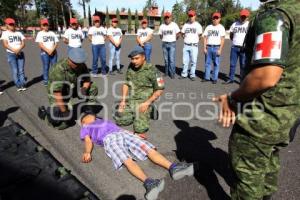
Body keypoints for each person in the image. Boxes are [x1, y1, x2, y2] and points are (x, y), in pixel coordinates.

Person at [213, 0, 299, 199]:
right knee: (269, 165)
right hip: (289, 112)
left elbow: (266, 77)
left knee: (247, 179)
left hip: (263, 115)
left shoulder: (275, 16)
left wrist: (232, 98)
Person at [80, 113, 194, 200]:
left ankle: (173, 167)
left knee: (148, 148)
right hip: (109, 139)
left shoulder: (103, 121)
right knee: (126, 160)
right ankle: (150, 183)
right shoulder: (86, 127)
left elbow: (119, 129)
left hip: (122, 134)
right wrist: (87, 152)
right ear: (84, 121)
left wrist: (134, 134)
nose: (91, 116)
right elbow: (88, 141)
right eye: (87, 117)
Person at [38, 48, 98, 130]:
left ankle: (89, 111)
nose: (78, 66)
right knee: (63, 123)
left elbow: (87, 79)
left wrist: (84, 88)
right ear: (69, 59)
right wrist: (64, 112)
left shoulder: (81, 65)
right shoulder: (58, 69)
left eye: (79, 63)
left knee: (93, 88)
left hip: (72, 87)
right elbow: (57, 94)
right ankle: (44, 114)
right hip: (59, 93)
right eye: (75, 63)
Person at [114, 46, 164, 140]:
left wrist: (147, 103)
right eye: (132, 59)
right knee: (119, 120)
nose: (134, 61)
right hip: (131, 99)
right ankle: (138, 113)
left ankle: (150, 109)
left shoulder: (152, 70)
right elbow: (126, 83)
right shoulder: (131, 67)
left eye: (136, 58)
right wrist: (123, 100)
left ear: (143, 57)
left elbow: (160, 89)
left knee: (139, 129)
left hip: (144, 101)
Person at [224, 9, 250, 84]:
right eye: (242, 16)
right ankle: (231, 79)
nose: (243, 18)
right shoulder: (234, 24)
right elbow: (231, 34)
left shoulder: (249, 24)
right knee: (232, 64)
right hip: (234, 47)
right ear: (240, 16)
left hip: (244, 48)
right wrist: (234, 41)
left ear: (247, 17)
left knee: (243, 65)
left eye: (245, 17)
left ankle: (242, 80)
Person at [1, 18, 26, 91]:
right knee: (15, 70)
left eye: (13, 24)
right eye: (10, 24)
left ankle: (23, 84)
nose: (12, 26)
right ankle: (18, 85)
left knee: (21, 70)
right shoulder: (5, 33)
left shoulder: (19, 33)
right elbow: (5, 44)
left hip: (20, 53)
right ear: (7, 25)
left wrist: (19, 49)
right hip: (11, 54)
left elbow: (23, 43)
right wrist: (14, 50)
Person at [179, 10, 203, 81]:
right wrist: (186, 39)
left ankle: (192, 75)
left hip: (194, 46)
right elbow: (182, 33)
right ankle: (184, 74)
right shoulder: (186, 25)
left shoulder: (198, 25)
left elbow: (200, 35)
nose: (191, 17)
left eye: (192, 16)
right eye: (189, 16)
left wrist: (195, 41)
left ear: (195, 16)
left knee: (193, 61)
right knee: (185, 61)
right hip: (186, 45)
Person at [202, 12, 225, 84]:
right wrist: (204, 48)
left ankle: (214, 78)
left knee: (216, 64)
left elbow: (222, 39)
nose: (215, 19)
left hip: (216, 47)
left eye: (217, 18)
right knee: (207, 63)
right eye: (214, 18)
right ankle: (207, 77)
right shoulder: (208, 27)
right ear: (212, 19)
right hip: (208, 47)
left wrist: (220, 49)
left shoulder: (221, 27)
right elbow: (205, 38)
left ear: (219, 19)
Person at [35, 18, 59, 86]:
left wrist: (52, 50)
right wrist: (48, 50)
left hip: (53, 52)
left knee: (54, 67)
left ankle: (54, 79)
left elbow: (56, 42)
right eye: (44, 25)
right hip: (44, 53)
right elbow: (40, 44)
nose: (46, 26)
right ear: (41, 26)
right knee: (46, 67)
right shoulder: (40, 33)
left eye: (47, 25)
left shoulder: (52, 33)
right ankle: (46, 80)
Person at [158, 11, 180, 79]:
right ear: (164, 18)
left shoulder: (174, 25)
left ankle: (172, 73)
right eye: (166, 17)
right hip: (164, 44)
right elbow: (160, 35)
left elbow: (178, 34)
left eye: (168, 17)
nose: (167, 18)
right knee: (166, 60)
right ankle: (166, 72)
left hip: (172, 44)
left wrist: (173, 39)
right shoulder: (162, 26)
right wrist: (164, 39)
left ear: (171, 18)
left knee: (171, 60)